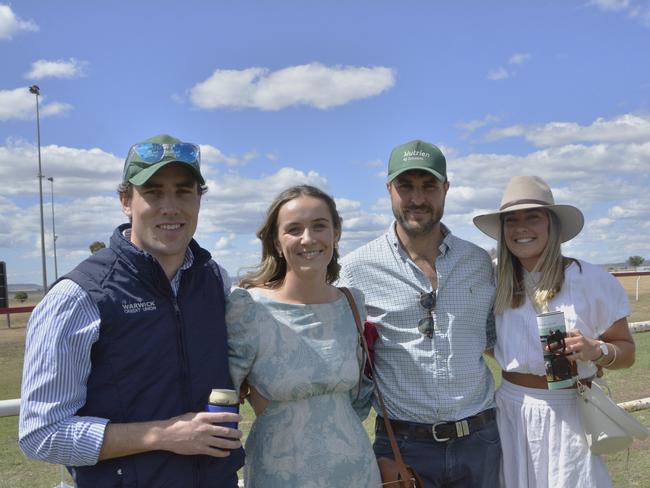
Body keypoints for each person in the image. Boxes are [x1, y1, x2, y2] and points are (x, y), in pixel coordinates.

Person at [19, 134, 245, 487]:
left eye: (184, 191)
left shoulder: (215, 280)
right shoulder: (78, 296)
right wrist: (164, 434)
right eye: (153, 192)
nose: (170, 206)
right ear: (126, 200)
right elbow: (42, 434)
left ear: (199, 199)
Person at [338, 140, 501, 487]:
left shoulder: (477, 262)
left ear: (446, 189)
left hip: (480, 440)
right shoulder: (355, 270)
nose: (417, 199)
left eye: (429, 186)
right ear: (388, 190)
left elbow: (494, 340)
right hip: (403, 448)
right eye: (405, 186)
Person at [473, 175, 636, 488]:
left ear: (552, 224)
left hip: (572, 413)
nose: (521, 228)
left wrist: (596, 351)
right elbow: (489, 340)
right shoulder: (494, 281)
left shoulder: (592, 280)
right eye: (511, 220)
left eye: (532, 217)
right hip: (512, 411)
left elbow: (627, 352)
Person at [226, 185, 380, 487]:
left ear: (336, 233)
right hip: (280, 475)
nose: (308, 239)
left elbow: (358, 400)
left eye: (319, 226)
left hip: (356, 473)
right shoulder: (248, 307)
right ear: (276, 240)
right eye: (294, 229)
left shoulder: (352, 303)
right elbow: (223, 399)